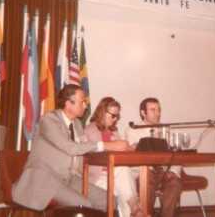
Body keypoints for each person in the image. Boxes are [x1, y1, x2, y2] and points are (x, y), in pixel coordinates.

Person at [12, 84, 131, 212]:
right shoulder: (49, 120)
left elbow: (84, 149)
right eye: (82, 102)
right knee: (85, 205)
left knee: (109, 200)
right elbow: (70, 148)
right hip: (46, 179)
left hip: (69, 178)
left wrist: (119, 148)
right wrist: (107, 145)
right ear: (68, 104)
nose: (85, 106)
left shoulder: (78, 124)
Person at [84, 97, 143, 217]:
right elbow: (99, 151)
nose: (115, 119)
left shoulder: (114, 131)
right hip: (97, 176)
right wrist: (121, 146)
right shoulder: (91, 130)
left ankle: (133, 208)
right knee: (123, 173)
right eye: (113, 115)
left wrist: (130, 148)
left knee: (122, 176)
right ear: (102, 113)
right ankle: (134, 207)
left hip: (114, 174)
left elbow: (121, 147)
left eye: (117, 116)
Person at [125, 97, 182, 217]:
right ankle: (147, 214)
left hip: (163, 171)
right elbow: (132, 155)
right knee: (147, 178)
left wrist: (172, 171)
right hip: (143, 171)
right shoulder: (133, 130)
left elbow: (174, 154)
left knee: (175, 182)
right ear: (143, 112)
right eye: (153, 110)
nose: (157, 113)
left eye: (158, 110)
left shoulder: (165, 130)